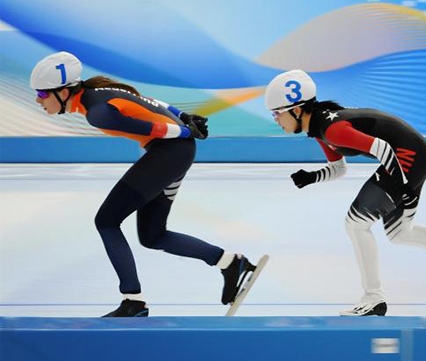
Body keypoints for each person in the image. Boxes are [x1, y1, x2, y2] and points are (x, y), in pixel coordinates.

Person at [30, 51, 265, 317]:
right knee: (153, 235)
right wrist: (184, 116)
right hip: (175, 152)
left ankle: (133, 301)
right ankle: (230, 263)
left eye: (42, 94)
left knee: (106, 221)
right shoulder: (98, 93)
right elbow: (152, 102)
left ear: (63, 92)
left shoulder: (97, 112)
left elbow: (154, 129)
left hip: (169, 152)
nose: (39, 100)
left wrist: (186, 129)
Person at [265, 69, 426, 316]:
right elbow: (339, 169)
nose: (276, 120)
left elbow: (383, 148)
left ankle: (373, 298)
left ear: (297, 110)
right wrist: (312, 177)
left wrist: (404, 186)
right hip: (412, 154)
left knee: (356, 223)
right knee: (400, 232)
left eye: (277, 113)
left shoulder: (332, 129)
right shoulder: (319, 128)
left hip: (406, 156)